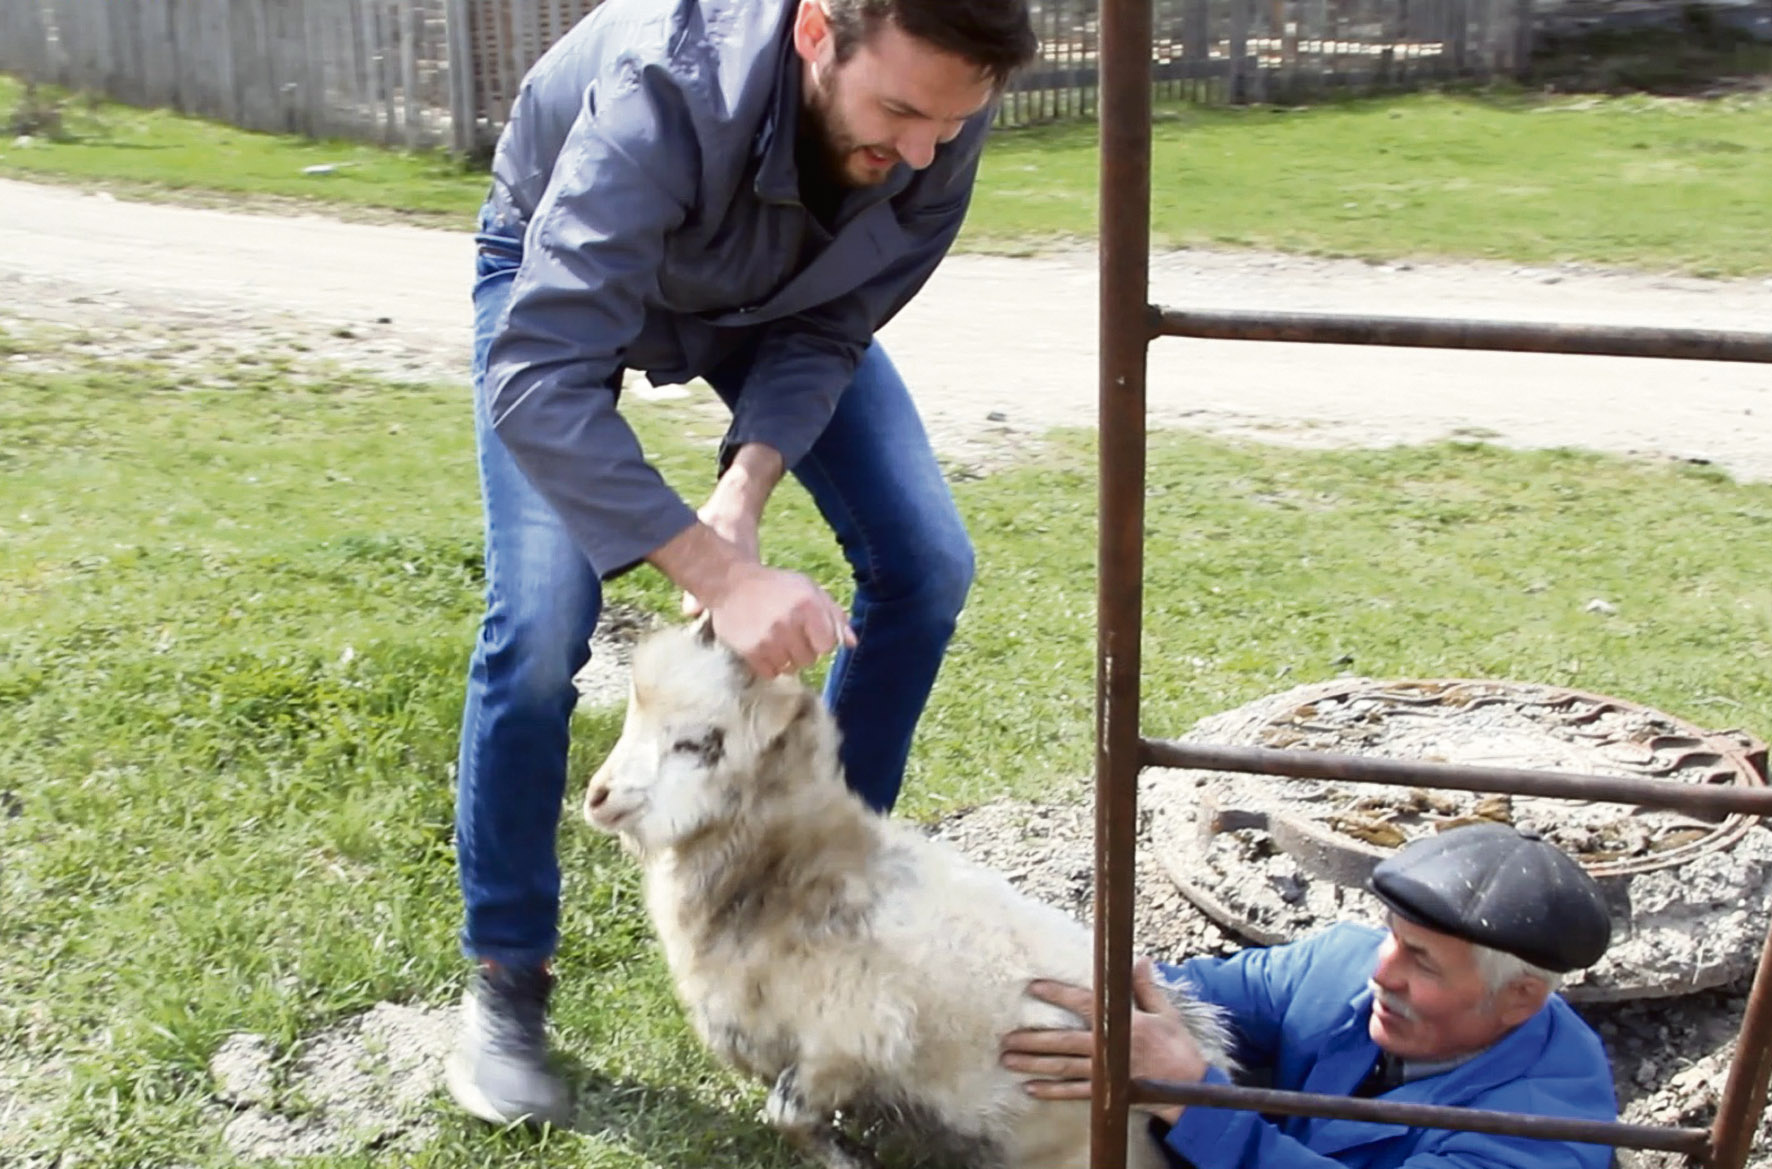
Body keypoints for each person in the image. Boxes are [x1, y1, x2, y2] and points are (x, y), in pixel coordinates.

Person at [447, 0, 1039, 1130]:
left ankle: (821, 920)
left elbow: (832, 325)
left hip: (780, 304)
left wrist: (743, 489)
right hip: (559, 282)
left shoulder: (934, 128)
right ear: (817, 31)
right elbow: (539, 379)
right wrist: (716, 576)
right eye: (900, 112)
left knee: (926, 562)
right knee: (537, 626)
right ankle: (506, 983)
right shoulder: (661, 91)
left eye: (949, 126)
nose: (919, 154)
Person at [1000, 821, 1620, 1169]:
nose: (1383, 972)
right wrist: (1091, 987)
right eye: (1393, 938)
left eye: (1423, 962)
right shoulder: (1341, 966)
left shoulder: (1550, 1130)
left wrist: (1191, 1097)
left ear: (1519, 998)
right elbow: (1188, 994)